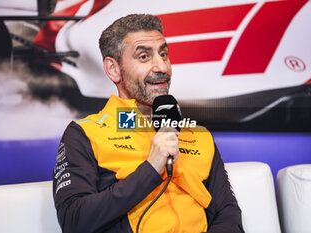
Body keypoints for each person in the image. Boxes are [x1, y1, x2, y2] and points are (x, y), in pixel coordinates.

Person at [53, 14, 244, 233]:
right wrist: (151, 169)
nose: (161, 66)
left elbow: (229, 214)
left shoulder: (199, 135)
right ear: (113, 69)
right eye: (144, 57)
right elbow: (74, 221)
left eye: (164, 54)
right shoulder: (85, 134)